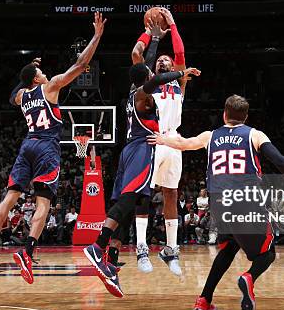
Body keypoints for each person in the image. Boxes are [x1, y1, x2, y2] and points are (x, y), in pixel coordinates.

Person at [149, 94, 284, 310]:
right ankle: (249, 277)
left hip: (220, 205)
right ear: (246, 116)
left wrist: (162, 139)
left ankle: (204, 299)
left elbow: (184, 144)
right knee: (267, 254)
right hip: (246, 201)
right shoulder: (254, 134)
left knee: (228, 248)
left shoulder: (211, 136)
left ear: (224, 114)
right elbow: (279, 160)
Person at [0, 12, 106, 284]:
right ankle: (27, 251)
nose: (45, 73)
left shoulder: (22, 95)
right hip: (47, 146)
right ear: (37, 78)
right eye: (40, 72)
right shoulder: (51, 88)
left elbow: (13, 94)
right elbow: (81, 64)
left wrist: (26, 72)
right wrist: (96, 36)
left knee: (9, 198)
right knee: (43, 203)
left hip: (27, 145)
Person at [83, 62, 200, 297]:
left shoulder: (133, 93)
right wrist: (181, 74)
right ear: (146, 76)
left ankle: (111, 261)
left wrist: (154, 38)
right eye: (150, 72)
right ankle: (97, 246)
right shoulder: (141, 92)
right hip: (140, 148)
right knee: (130, 199)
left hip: (130, 149)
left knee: (132, 203)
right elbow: (154, 81)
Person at [131, 8, 189, 275]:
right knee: (144, 193)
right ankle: (142, 247)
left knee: (171, 193)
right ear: (153, 69)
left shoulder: (179, 83)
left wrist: (174, 25)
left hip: (174, 139)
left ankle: (170, 249)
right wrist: (152, 33)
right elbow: (138, 55)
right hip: (153, 138)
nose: (165, 62)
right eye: (160, 61)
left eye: (168, 61)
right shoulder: (147, 85)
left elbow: (180, 55)